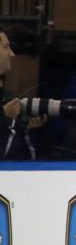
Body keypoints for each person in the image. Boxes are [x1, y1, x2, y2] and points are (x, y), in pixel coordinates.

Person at [0, 24, 48, 160]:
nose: (11, 54)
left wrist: (29, 132)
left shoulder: (5, 96)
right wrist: (6, 119)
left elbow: (26, 163)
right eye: (5, 47)